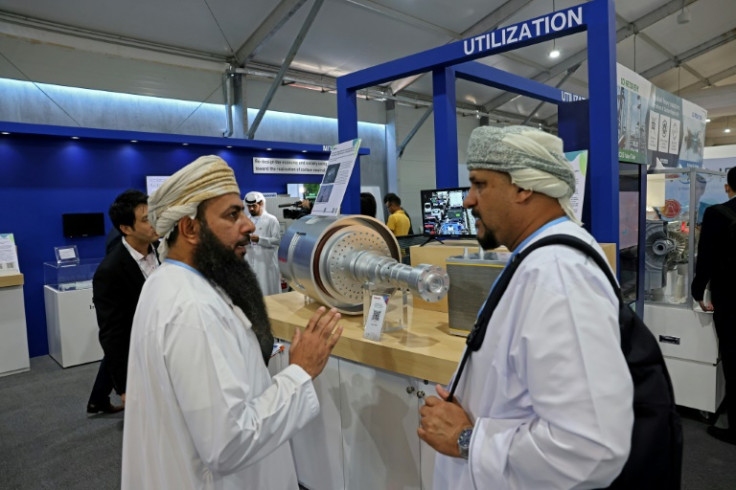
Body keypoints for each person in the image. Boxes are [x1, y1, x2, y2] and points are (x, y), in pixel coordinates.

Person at [418, 125, 634, 488]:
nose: (468, 200)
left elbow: (591, 447)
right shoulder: (538, 259)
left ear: (523, 187)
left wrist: (467, 440)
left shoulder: (558, 276)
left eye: (480, 184)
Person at [121, 155, 343, 489]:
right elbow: (229, 442)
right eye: (232, 214)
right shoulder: (192, 309)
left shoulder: (174, 284)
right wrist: (300, 372)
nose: (248, 225)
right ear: (190, 228)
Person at [87, 189, 159, 414]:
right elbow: (112, 334)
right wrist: (125, 387)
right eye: (147, 219)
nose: (155, 222)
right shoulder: (110, 271)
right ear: (126, 229)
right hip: (140, 356)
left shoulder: (163, 251)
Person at [692, 166, 736, 445]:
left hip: (730, 298)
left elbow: (705, 259)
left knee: (732, 359)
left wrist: (698, 292)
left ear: (728, 186)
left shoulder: (717, 214)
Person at [244, 191, 282, 295]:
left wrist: (260, 240)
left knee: (268, 292)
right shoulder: (246, 221)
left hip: (266, 264)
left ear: (260, 204)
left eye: (253, 206)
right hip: (251, 261)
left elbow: (277, 241)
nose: (251, 208)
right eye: (249, 206)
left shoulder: (271, 220)